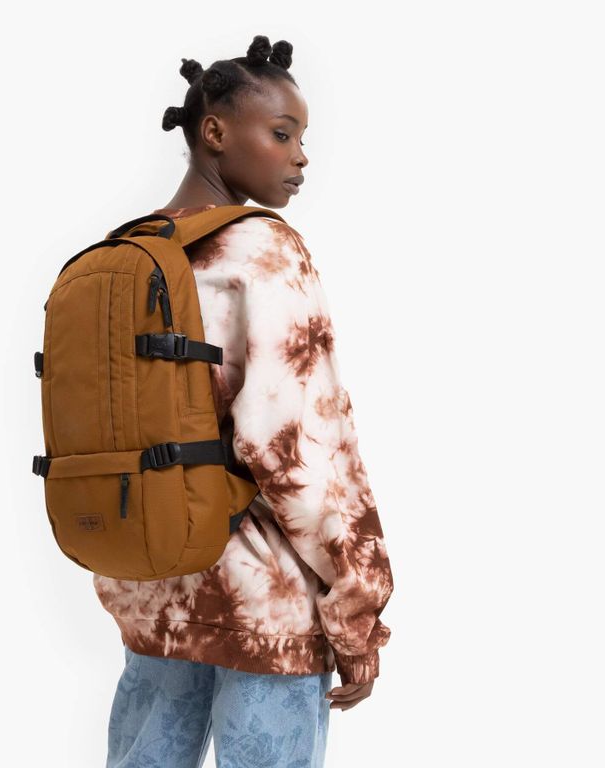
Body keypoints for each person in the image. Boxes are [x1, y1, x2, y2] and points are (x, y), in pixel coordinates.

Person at [97, 34, 394, 767]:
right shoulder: (264, 249)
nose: (301, 157)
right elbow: (298, 443)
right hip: (264, 599)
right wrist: (358, 602)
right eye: (282, 133)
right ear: (215, 131)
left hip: (152, 582)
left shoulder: (123, 252)